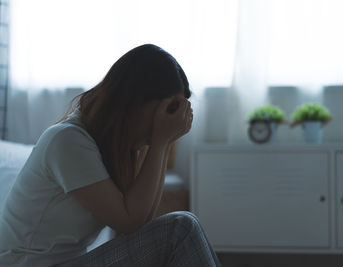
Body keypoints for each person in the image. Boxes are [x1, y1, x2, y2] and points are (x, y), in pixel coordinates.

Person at [0, 44, 222, 267]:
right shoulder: (67, 140)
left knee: (181, 228)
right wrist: (161, 141)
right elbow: (129, 222)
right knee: (180, 228)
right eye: (165, 111)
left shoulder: (108, 146)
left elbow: (142, 221)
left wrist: (162, 143)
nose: (160, 123)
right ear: (135, 101)